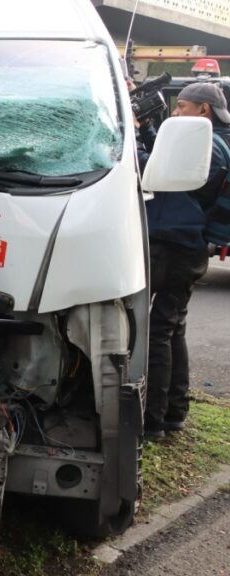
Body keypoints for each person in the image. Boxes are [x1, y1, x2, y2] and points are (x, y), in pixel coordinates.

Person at [144, 82, 230, 439]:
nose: (177, 113)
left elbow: (161, 172)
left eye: (182, 106)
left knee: (157, 332)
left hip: (176, 246)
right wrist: (150, 131)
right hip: (189, 246)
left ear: (203, 110)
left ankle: (152, 421)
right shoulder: (216, 141)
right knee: (172, 327)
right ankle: (173, 413)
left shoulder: (208, 145)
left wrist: (136, 141)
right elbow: (171, 162)